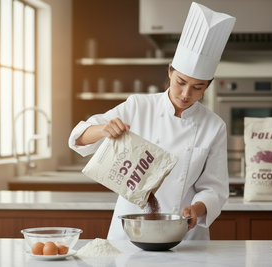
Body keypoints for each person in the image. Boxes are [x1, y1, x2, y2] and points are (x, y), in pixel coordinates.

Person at [69, 2, 236, 240]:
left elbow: (214, 187)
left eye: (198, 87)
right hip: (131, 228)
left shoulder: (214, 125)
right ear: (170, 72)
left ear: (208, 85)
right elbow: (78, 138)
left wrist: (196, 210)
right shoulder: (139, 106)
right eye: (180, 82)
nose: (186, 94)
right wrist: (104, 129)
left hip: (183, 230)